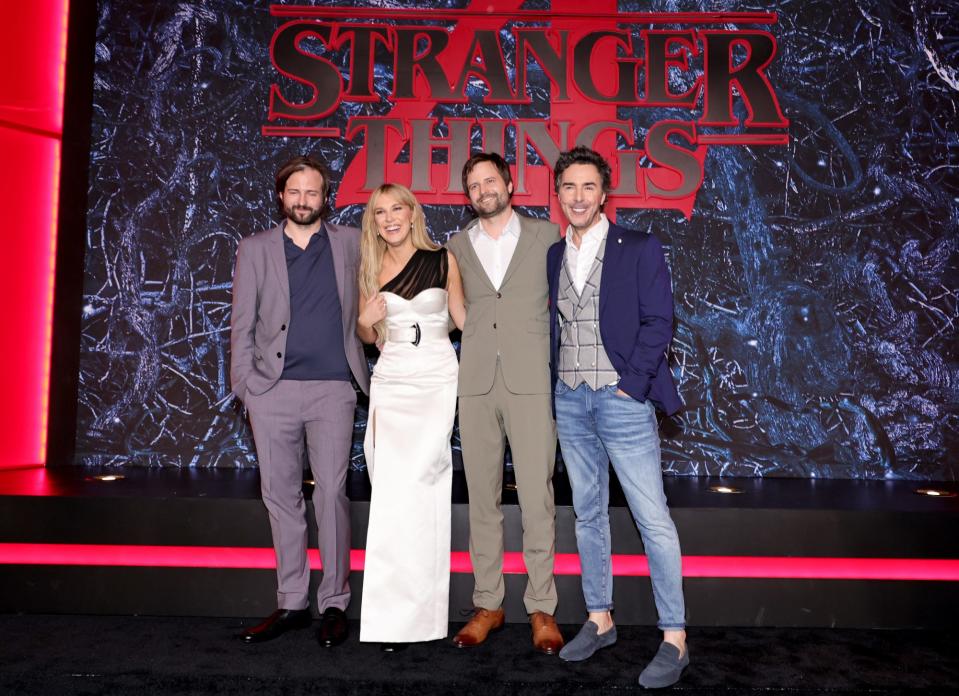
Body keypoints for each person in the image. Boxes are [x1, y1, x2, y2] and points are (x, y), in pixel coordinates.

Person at [546, 146, 688, 688]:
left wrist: (632, 388)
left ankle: (674, 636)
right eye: (568, 188)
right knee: (587, 515)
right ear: (557, 195)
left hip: (622, 399)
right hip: (570, 400)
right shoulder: (556, 256)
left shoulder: (639, 247)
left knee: (653, 518)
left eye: (588, 187)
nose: (578, 197)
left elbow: (660, 321)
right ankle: (600, 618)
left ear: (604, 194)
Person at [230, 154, 370, 647]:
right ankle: (292, 601)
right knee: (281, 498)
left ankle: (334, 603)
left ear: (324, 197)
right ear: (281, 195)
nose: (303, 200)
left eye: (312, 192)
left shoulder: (352, 243)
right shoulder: (255, 249)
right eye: (295, 192)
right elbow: (241, 324)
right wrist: (248, 388)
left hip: (333, 389)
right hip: (272, 392)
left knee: (331, 495)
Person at [445, 152, 564, 654]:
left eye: (490, 181)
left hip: (531, 381)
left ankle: (542, 608)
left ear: (510, 184)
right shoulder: (455, 244)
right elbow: (456, 305)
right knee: (482, 499)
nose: (482, 190)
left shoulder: (547, 237)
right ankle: (489, 604)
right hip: (475, 383)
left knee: (537, 497)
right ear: (467, 195)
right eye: (473, 185)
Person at [355, 183, 466, 650]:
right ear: (374, 221)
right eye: (380, 212)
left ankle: (423, 616)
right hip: (393, 381)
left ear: (413, 211)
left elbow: (463, 320)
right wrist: (365, 320)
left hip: (437, 379)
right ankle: (386, 619)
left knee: (426, 489)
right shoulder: (370, 267)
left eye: (396, 208)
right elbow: (367, 334)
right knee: (391, 495)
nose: (389, 218)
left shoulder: (444, 258)